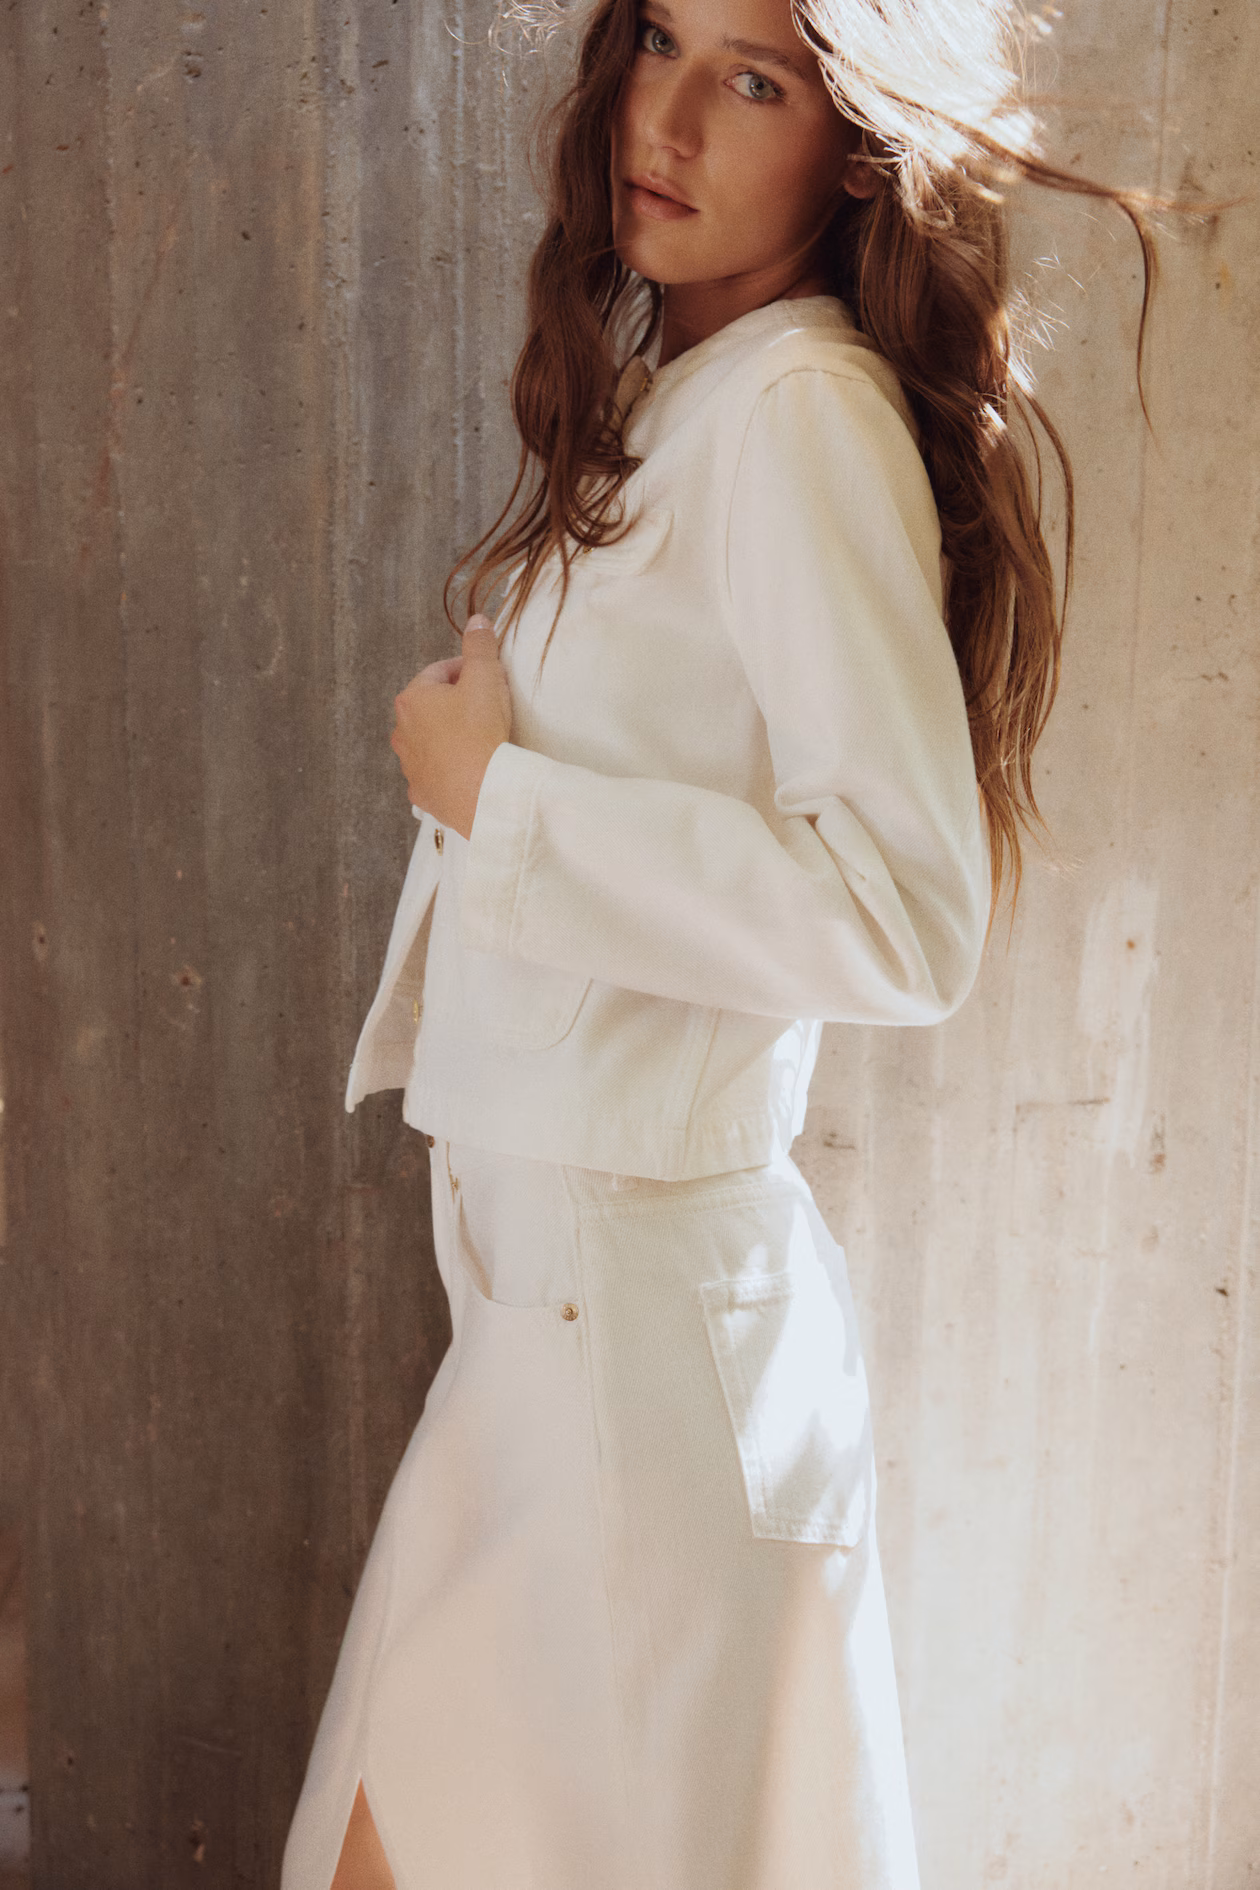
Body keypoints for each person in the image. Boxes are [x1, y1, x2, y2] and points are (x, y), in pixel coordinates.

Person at [281, 0, 1154, 1884]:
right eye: (660, 41)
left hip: (633, 1342)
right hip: (556, 1331)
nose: (664, 120)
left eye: (751, 82)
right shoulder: (693, 396)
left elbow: (902, 912)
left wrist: (501, 800)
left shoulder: (797, 415)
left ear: (855, 152)